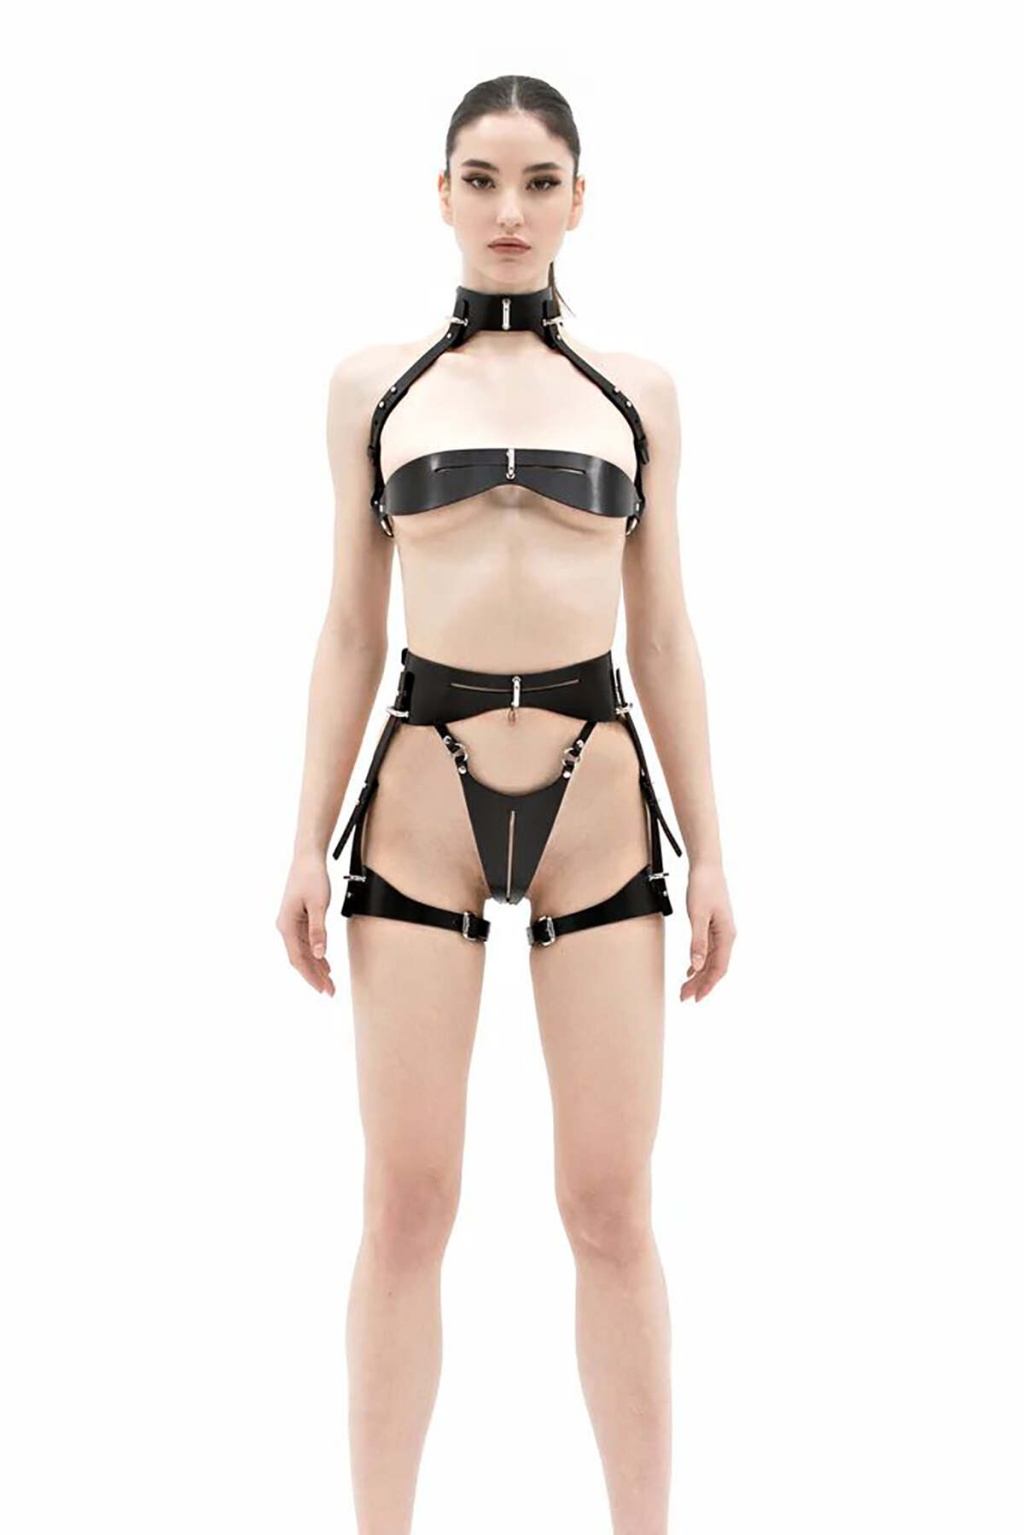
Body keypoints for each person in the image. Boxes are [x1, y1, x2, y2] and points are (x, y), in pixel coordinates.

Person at [276, 73, 736, 1535]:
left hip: (601, 800)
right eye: (481, 180)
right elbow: (350, 629)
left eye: (539, 183)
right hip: (422, 796)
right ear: (442, 196)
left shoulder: (636, 392)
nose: (510, 211)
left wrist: (712, 851)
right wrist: (304, 840)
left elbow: (665, 633)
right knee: (407, 1206)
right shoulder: (376, 387)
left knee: (610, 1210)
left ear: (580, 200)